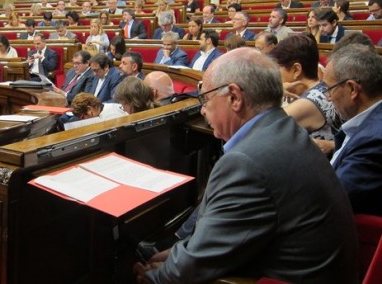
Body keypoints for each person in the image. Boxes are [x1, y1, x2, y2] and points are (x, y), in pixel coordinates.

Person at [135, 47, 358, 284]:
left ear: (234, 97)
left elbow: (189, 270)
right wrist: (179, 254)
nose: (202, 109)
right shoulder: (286, 131)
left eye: (206, 99)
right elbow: (218, 242)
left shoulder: (246, 162)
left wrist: (151, 277)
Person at [325, 44, 382, 216]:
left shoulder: (374, 141)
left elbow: (330, 200)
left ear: (352, 89)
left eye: (330, 89)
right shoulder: (366, 124)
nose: (328, 97)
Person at [268, 33, 341, 154]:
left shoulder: (309, 102)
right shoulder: (321, 88)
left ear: (296, 70)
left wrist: (275, 92)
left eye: (277, 69)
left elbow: (259, 127)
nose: (275, 75)